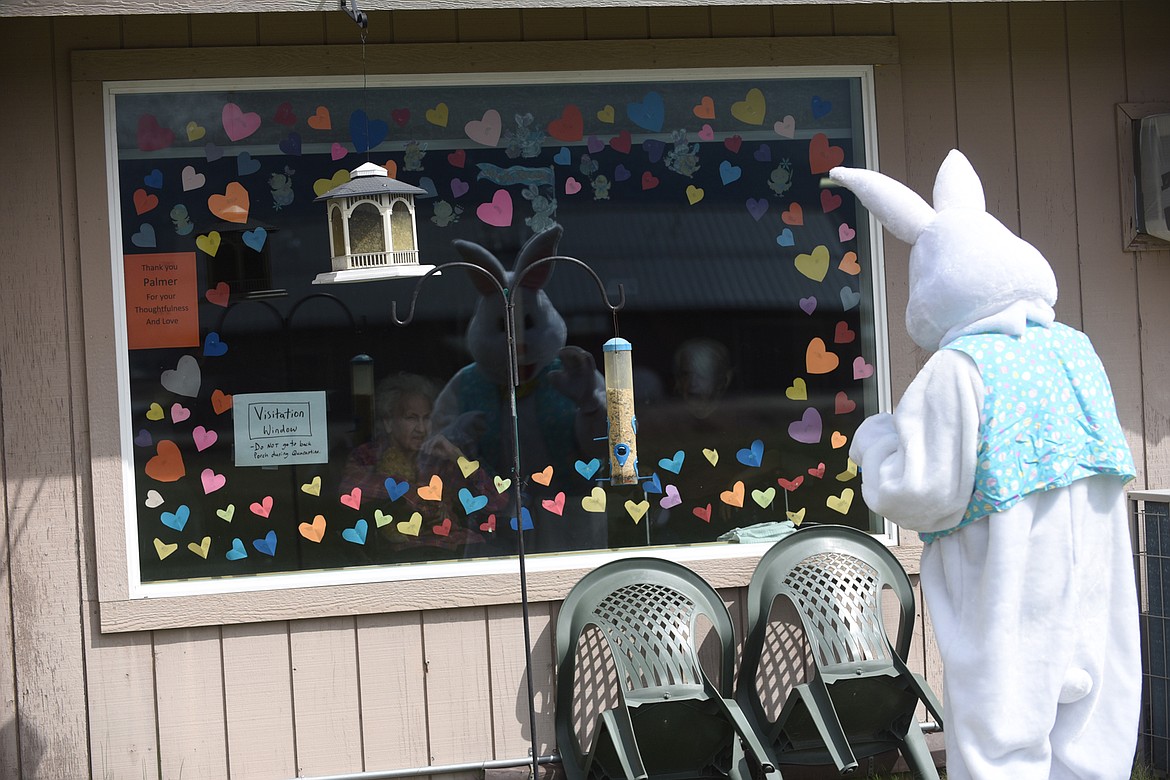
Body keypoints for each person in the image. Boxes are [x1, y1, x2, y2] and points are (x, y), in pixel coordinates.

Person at [835, 151, 1140, 779]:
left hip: (1011, 585)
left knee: (1004, 729)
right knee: (1087, 735)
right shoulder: (1076, 351)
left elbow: (922, 488)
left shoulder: (959, 368)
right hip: (1093, 582)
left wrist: (877, 443)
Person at [341, 372, 501, 560]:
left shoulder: (439, 458)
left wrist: (458, 457)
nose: (421, 428)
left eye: (426, 418)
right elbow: (349, 487)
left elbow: (497, 502)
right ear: (388, 423)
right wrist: (411, 493)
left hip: (457, 550)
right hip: (406, 554)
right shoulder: (369, 455)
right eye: (411, 418)